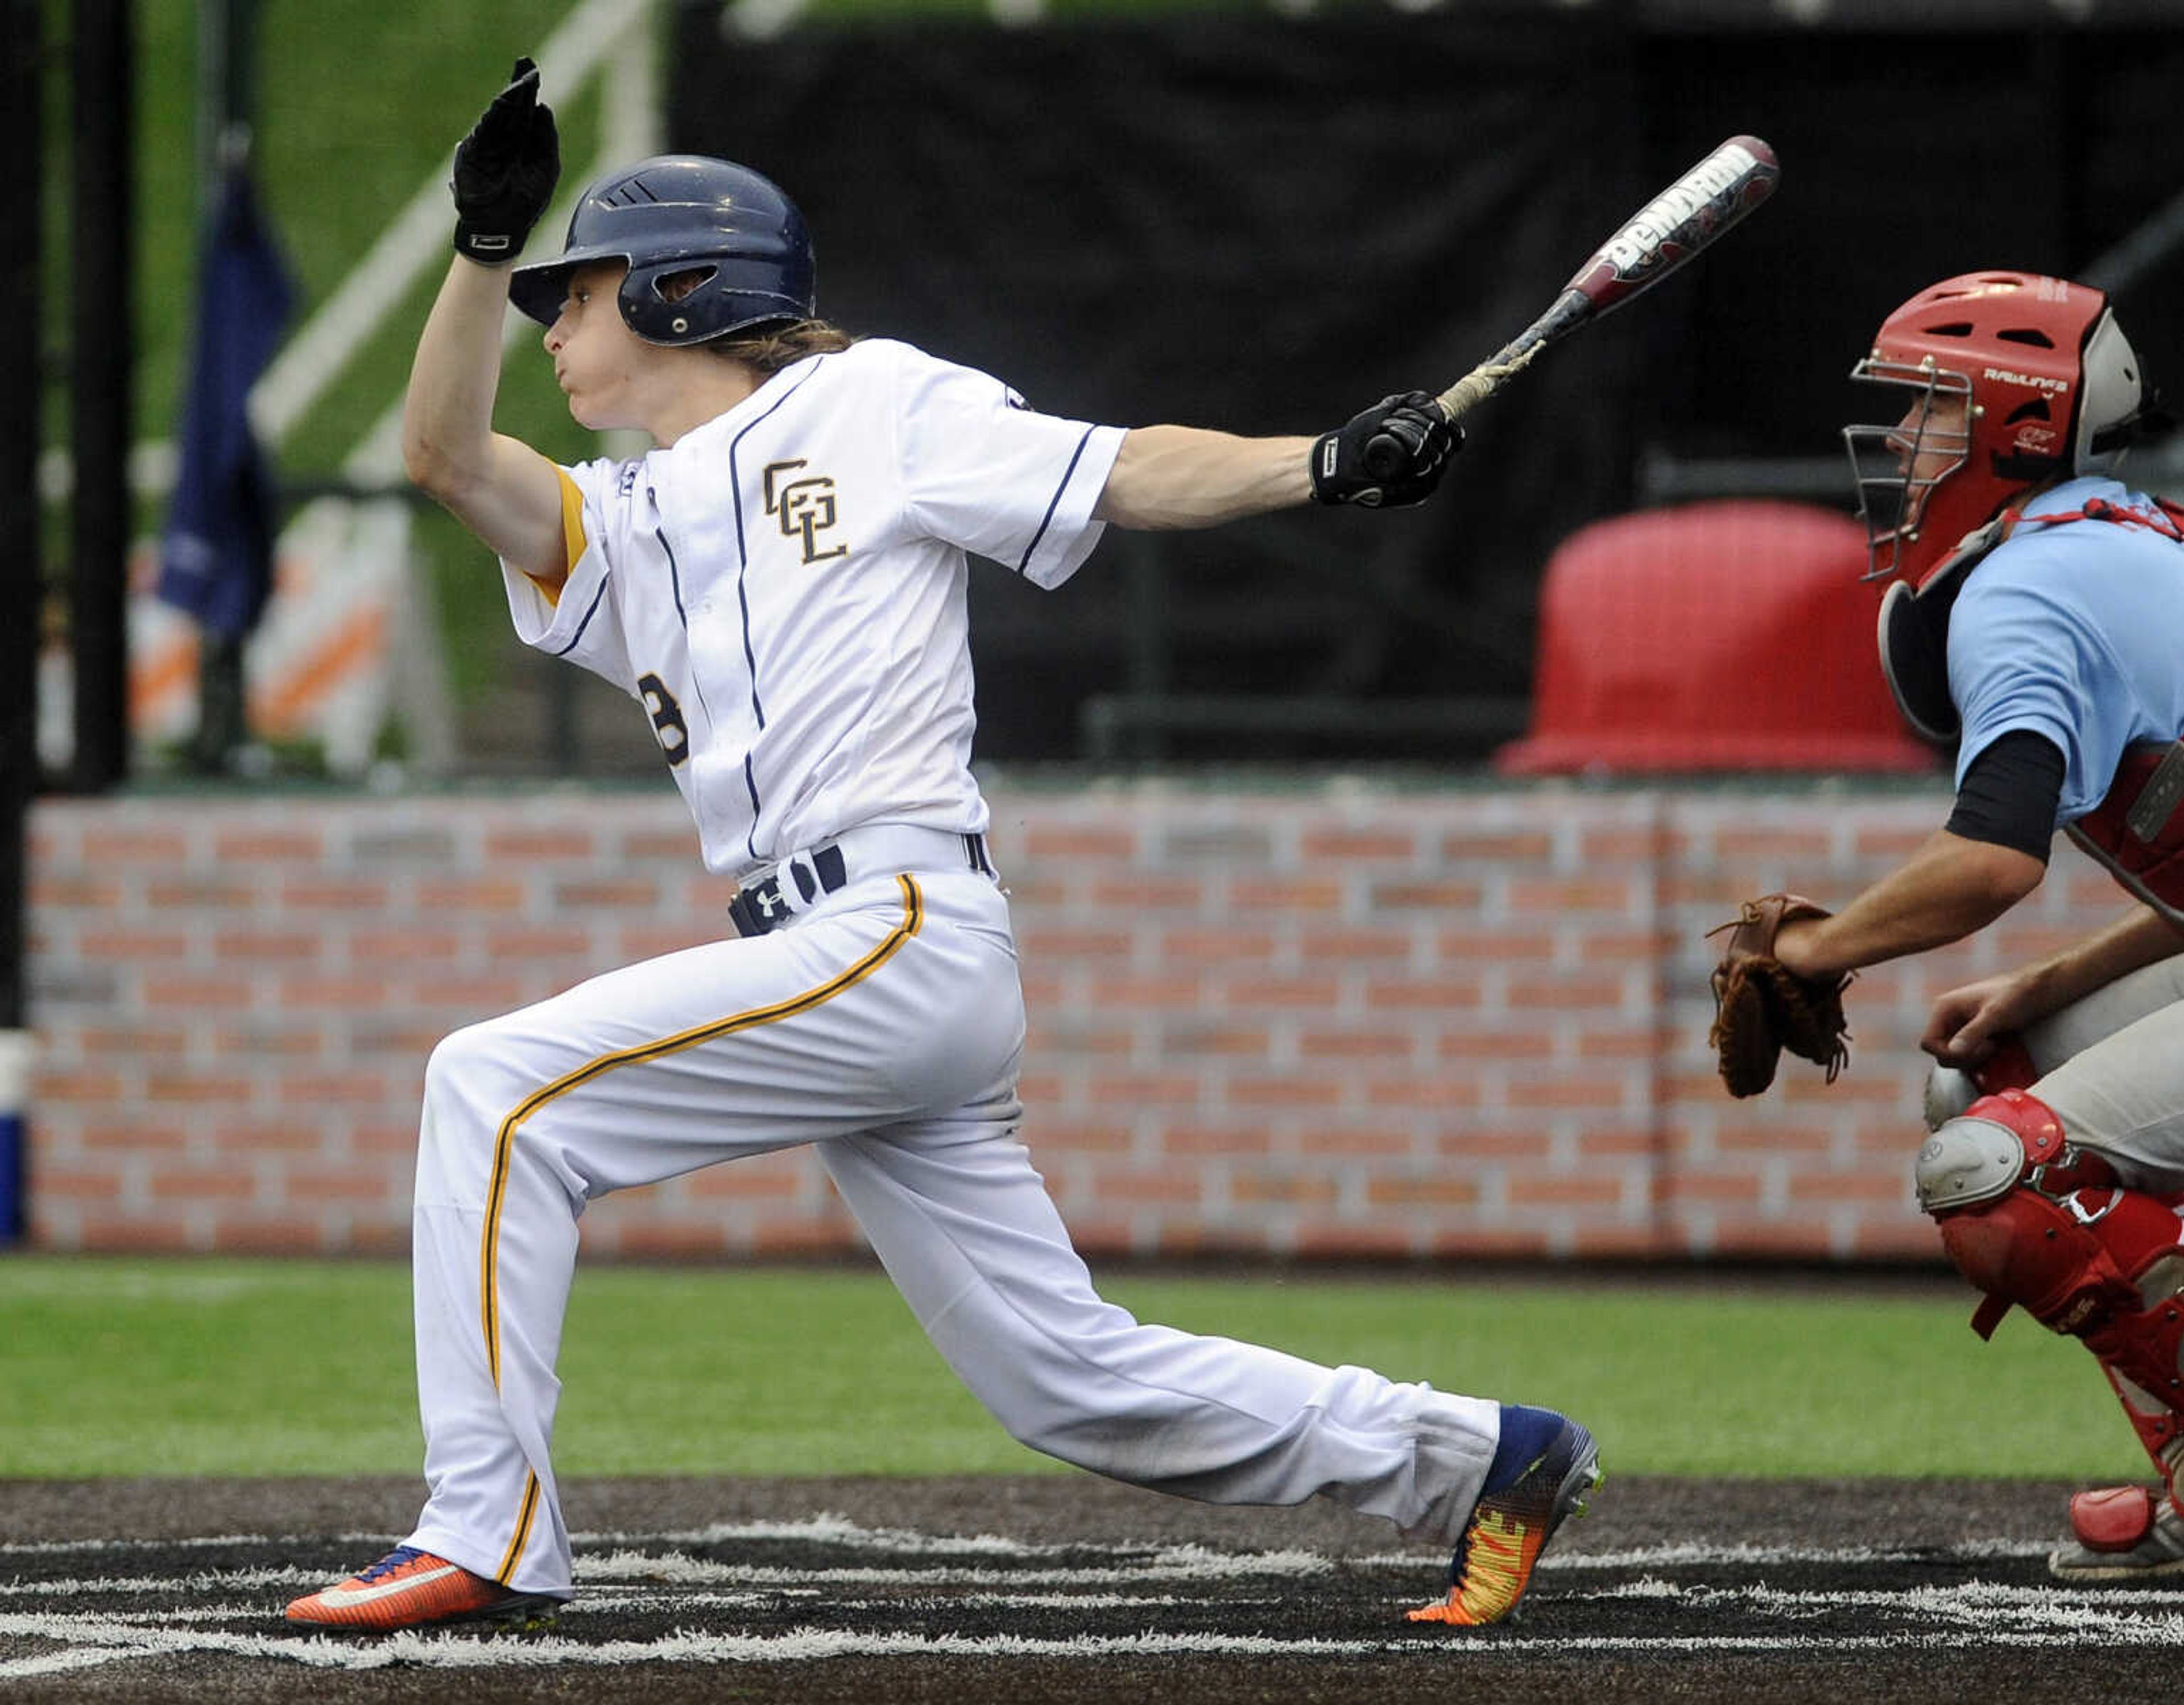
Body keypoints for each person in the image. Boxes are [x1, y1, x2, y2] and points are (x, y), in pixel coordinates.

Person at [283, 58, 1600, 1636]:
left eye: (579, 288)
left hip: (890, 923)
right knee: (1067, 1380)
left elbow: (1117, 464)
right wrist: (479, 247)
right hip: (833, 957)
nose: (550, 321)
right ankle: (1481, 1458)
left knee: (491, 1087)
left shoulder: (876, 401)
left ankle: (482, 1528)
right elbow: (442, 456)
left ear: (688, 290)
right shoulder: (629, 515)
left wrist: (1315, 460)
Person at [1713, 267, 2184, 1580]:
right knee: (2001, 1065)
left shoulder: (2026, 587)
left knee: (1992, 1168)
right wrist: (2052, 981)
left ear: (2017, 426)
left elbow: (1989, 858)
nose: (1898, 443)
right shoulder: (2129, 536)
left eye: (1926, 408)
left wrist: (1811, 948)